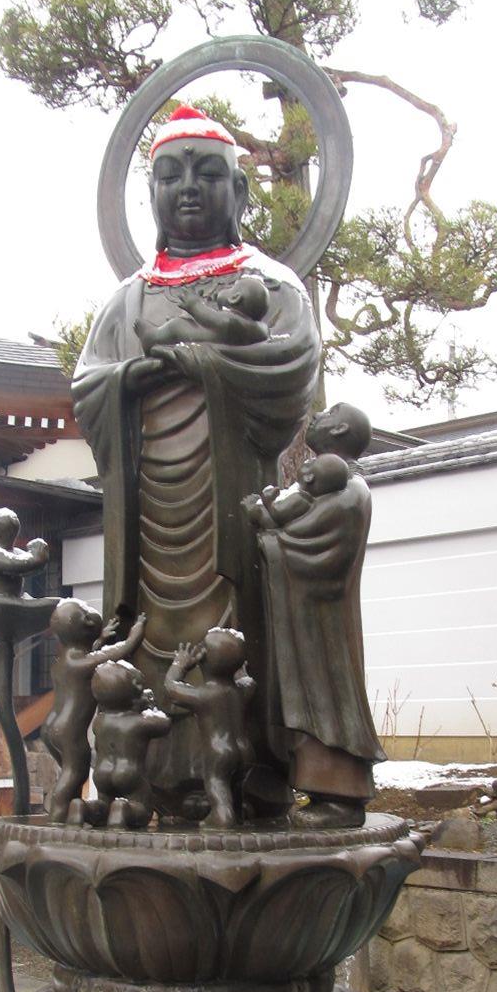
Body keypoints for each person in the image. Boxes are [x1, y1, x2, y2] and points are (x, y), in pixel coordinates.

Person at [73, 104, 321, 816]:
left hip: (229, 493)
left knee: (235, 636)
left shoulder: (273, 286)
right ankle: (142, 781)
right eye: (170, 175)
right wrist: (134, 377)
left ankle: (246, 782)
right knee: (143, 635)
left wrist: (201, 363)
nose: (187, 188)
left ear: (239, 191)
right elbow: (89, 383)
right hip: (145, 505)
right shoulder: (128, 299)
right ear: (150, 193)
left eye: (208, 173)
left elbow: (293, 366)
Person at [245, 453, 385, 825]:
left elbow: (308, 547)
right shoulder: (333, 487)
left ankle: (340, 799)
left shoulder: (347, 493)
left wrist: (271, 538)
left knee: (325, 704)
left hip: (320, 627)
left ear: (340, 431)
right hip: (312, 622)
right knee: (314, 703)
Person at [42, 602, 147, 822]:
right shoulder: (81, 663)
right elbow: (122, 650)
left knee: (68, 771)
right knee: (75, 772)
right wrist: (136, 633)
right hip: (69, 730)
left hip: (51, 726)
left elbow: (92, 655)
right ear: (87, 624)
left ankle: (73, 810)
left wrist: (100, 639)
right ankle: (58, 814)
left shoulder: (64, 662)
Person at [163, 628, 256, 829]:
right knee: (235, 784)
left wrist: (180, 664)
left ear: (203, 659)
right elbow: (250, 682)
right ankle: (237, 814)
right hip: (245, 750)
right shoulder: (240, 691)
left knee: (217, 781)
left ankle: (222, 815)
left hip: (219, 751)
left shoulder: (204, 695)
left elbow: (171, 687)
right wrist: (240, 670)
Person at [71, 659, 171, 830]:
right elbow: (164, 724)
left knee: (104, 805)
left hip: (102, 773)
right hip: (128, 773)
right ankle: (122, 810)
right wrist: (150, 705)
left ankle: (82, 808)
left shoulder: (100, 722)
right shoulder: (137, 722)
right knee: (141, 808)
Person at [135, 274, 270, 354]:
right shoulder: (256, 329)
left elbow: (211, 319)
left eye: (231, 288)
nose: (225, 289)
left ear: (235, 298)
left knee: (176, 326)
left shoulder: (230, 320)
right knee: (185, 321)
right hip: (205, 333)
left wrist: (195, 305)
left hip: (191, 336)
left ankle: (151, 337)